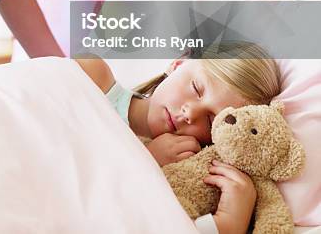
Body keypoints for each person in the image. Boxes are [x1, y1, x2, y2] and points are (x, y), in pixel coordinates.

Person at [76, 43, 281, 234]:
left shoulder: (193, 176)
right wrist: (146, 160)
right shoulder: (94, 78)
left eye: (210, 121)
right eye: (196, 88)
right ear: (178, 64)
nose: (190, 113)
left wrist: (228, 224)